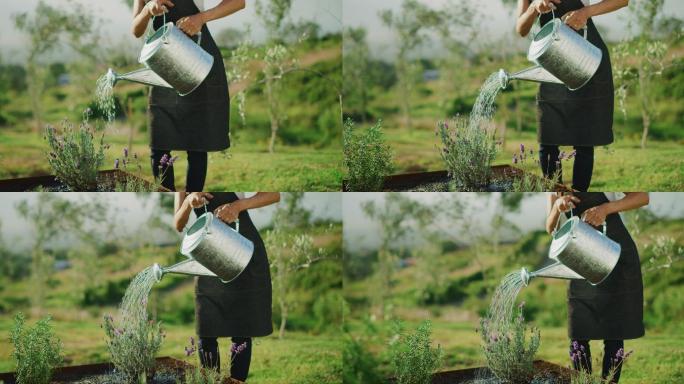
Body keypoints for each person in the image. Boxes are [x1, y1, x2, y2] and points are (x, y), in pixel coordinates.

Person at [515, 0, 629, 191]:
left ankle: (579, 194)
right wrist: (534, 7)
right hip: (552, 59)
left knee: (584, 141)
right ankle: (555, 190)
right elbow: (521, 29)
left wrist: (586, 12)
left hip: (585, 55)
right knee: (548, 139)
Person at [132, 0, 246, 191]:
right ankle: (165, 192)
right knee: (159, 142)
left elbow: (238, 2)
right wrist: (146, 10)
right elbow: (136, 30)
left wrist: (201, 17)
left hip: (197, 59)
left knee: (197, 145)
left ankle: (193, 192)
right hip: (163, 62)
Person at [174, 192, 281, 383]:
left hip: (241, 249)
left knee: (241, 330)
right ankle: (211, 381)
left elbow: (274, 194)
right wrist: (188, 202)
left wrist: (238, 206)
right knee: (206, 330)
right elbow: (178, 224)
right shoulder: (185, 179)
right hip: (207, 253)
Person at [546, 192, 649, 382]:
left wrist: (605, 209)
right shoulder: (555, 183)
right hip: (578, 259)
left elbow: (643, 197)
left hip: (613, 255)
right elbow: (550, 228)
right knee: (578, 332)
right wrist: (556, 207)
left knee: (614, 333)